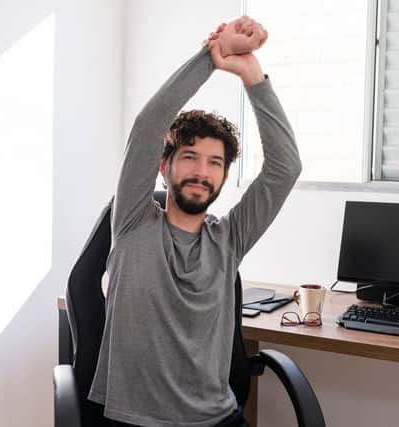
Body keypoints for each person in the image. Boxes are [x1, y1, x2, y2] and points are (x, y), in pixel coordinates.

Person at [88, 16, 302, 427]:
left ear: (223, 177)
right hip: (136, 421)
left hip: (216, 420)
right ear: (164, 166)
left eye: (215, 163)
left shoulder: (230, 238)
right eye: (190, 157)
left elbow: (285, 167)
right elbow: (150, 124)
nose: (202, 172)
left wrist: (252, 75)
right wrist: (212, 57)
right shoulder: (132, 221)